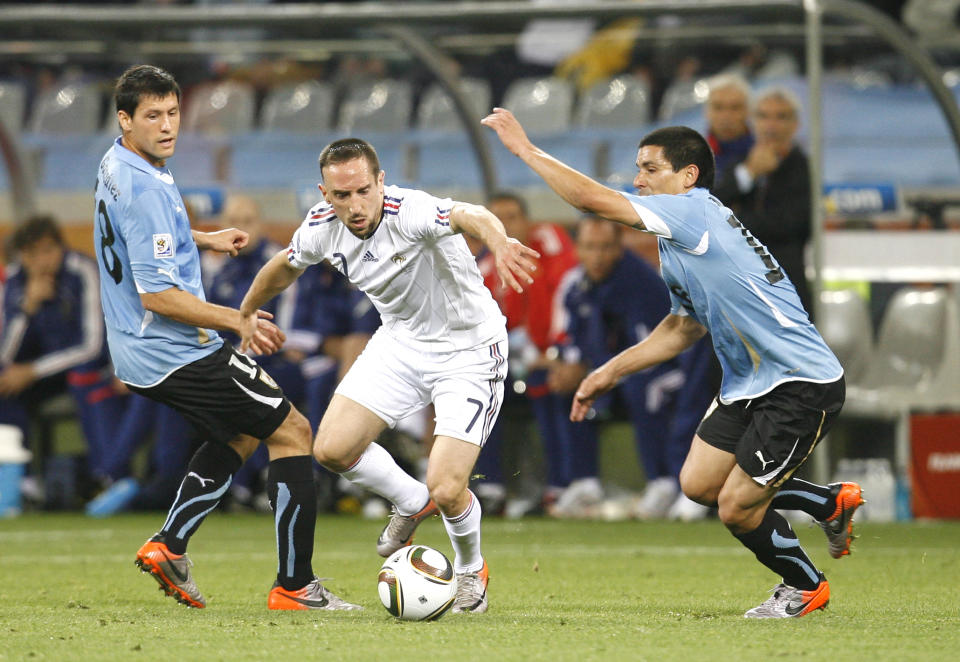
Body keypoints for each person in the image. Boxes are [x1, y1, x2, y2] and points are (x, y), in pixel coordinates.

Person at [483, 107, 863, 619]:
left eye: (650, 169)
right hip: (747, 385)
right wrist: (608, 371)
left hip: (800, 382)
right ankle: (828, 502)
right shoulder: (678, 239)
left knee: (735, 506)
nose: (638, 180)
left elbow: (592, 199)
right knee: (699, 486)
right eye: (637, 169)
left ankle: (806, 586)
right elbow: (684, 326)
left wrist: (525, 151)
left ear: (688, 177)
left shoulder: (694, 212)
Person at [94, 64, 359, 611]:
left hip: (136, 350)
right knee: (292, 430)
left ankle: (169, 546)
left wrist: (201, 239)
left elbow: (139, 233)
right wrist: (236, 320)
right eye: (152, 116)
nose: (167, 125)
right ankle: (295, 586)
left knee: (242, 432)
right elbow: (158, 296)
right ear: (126, 118)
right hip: (172, 347)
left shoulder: (119, 161)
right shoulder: (144, 184)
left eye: (172, 112)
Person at [238, 137, 539, 614]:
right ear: (324, 194)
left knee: (448, 486)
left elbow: (472, 215)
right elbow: (283, 267)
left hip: (470, 349)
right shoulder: (321, 227)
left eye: (363, 190)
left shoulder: (411, 210)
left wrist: (499, 241)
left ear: (381, 182)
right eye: (341, 196)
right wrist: (247, 311)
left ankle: (470, 568)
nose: (355, 206)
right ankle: (409, 499)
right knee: (332, 449)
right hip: (400, 343)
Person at [548, 216, 704, 520]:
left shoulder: (640, 282)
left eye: (606, 247)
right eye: (590, 247)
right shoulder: (576, 284)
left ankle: (663, 480)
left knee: (647, 388)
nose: (598, 256)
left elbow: (653, 349)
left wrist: (599, 371)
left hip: (668, 368)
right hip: (612, 371)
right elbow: (570, 337)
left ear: (619, 248)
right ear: (577, 249)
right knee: (563, 386)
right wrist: (571, 365)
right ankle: (583, 480)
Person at [471, 192, 584, 517]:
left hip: (557, 352)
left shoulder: (546, 244)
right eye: (496, 218)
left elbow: (565, 292)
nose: (504, 225)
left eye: (511, 216)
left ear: (527, 220)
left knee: (549, 385)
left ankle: (563, 485)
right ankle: (489, 485)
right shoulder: (485, 265)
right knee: (477, 389)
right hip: (515, 356)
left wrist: (554, 350)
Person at [0, 215, 126, 497]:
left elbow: (91, 345)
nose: (42, 260)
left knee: (84, 375)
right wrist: (27, 308)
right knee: (3, 383)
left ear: (61, 248)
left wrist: (33, 370)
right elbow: (6, 355)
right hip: (41, 372)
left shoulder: (82, 271)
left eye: (48, 250)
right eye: (32, 254)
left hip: (88, 365)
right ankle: (24, 478)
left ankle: (108, 476)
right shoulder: (16, 279)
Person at [711, 86, 813, 316]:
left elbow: (789, 224)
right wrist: (749, 172)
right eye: (763, 116)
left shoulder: (801, 167)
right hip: (738, 289)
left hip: (786, 288)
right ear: (753, 122)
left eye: (781, 117)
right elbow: (710, 206)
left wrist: (732, 221)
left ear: (795, 124)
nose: (771, 125)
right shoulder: (740, 162)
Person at [704, 73, 753, 175]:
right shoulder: (693, 159)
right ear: (706, 112)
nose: (726, 115)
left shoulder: (764, 151)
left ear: (748, 111)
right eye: (718, 107)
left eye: (735, 107)